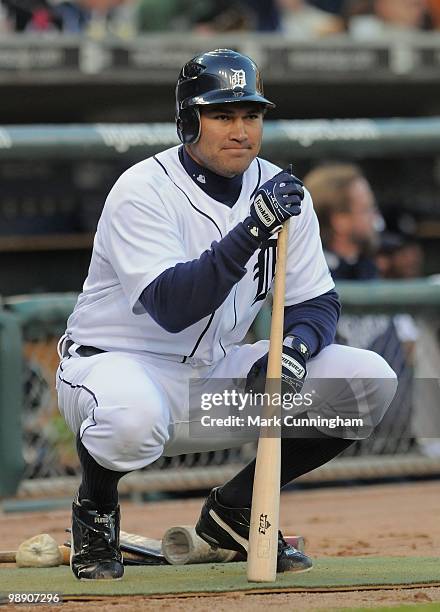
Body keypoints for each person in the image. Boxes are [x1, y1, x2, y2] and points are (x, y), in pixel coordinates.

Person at [56, 49, 397, 581]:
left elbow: (317, 302)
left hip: (209, 386)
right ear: (188, 122)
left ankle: (233, 510)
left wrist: (294, 351)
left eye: (251, 115)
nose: (241, 130)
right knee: (131, 419)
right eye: (222, 115)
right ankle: (96, 515)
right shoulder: (142, 189)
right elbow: (173, 307)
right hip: (116, 372)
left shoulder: (281, 195)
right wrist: (250, 233)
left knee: (368, 381)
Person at [303, 162, 381, 280]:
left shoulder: (367, 265)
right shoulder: (316, 277)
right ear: (340, 221)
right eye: (366, 209)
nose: (376, 218)